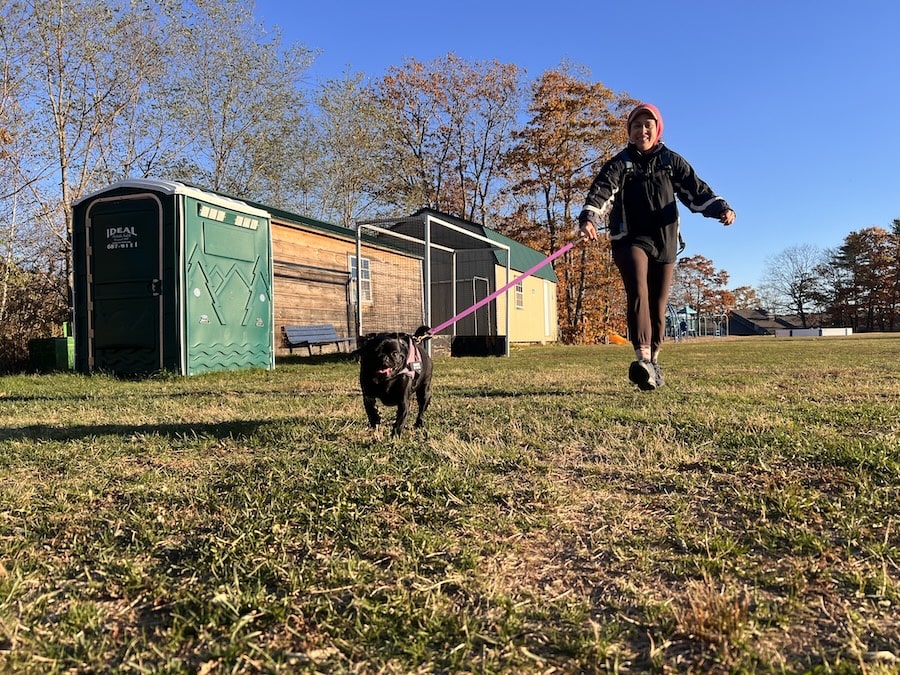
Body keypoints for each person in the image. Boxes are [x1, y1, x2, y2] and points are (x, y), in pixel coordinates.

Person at [577, 102, 734, 390]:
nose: (642, 131)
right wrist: (589, 217)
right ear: (629, 131)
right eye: (636, 126)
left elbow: (695, 191)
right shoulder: (621, 163)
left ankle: (654, 364)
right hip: (629, 239)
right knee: (638, 292)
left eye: (648, 125)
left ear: (657, 129)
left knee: (658, 305)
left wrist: (720, 208)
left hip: (665, 240)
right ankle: (643, 359)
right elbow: (602, 189)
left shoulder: (670, 161)